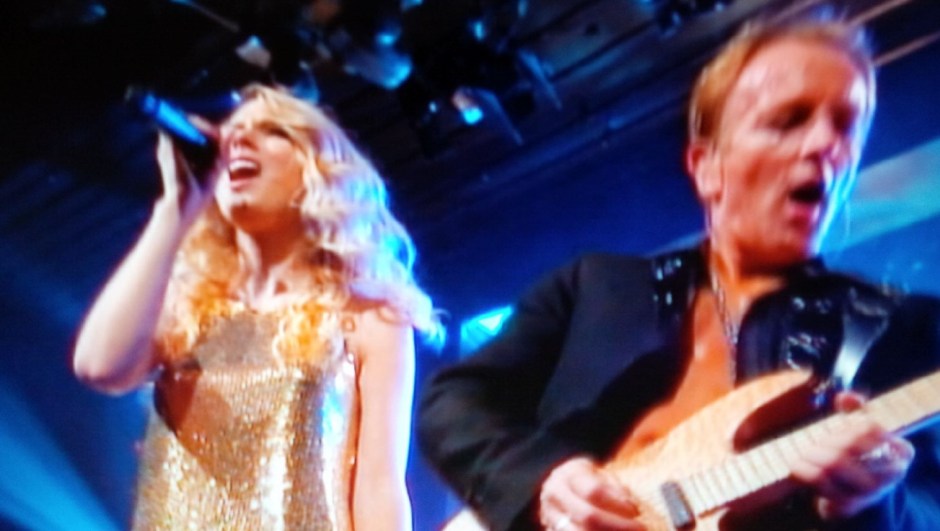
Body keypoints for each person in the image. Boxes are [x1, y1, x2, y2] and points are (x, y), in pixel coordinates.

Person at [417, 15, 940, 531]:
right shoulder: (596, 287)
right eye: (788, 120)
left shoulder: (903, 329)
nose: (828, 144)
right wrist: (543, 478)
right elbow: (452, 403)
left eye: (846, 125)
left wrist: (875, 504)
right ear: (706, 167)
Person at [73, 84, 440, 530]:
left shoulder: (370, 316)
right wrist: (174, 209)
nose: (239, 139)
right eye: (233, 131)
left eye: (273, 132)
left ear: (320, 170)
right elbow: (99, 367)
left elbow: (379, 486)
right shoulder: (183, 304)